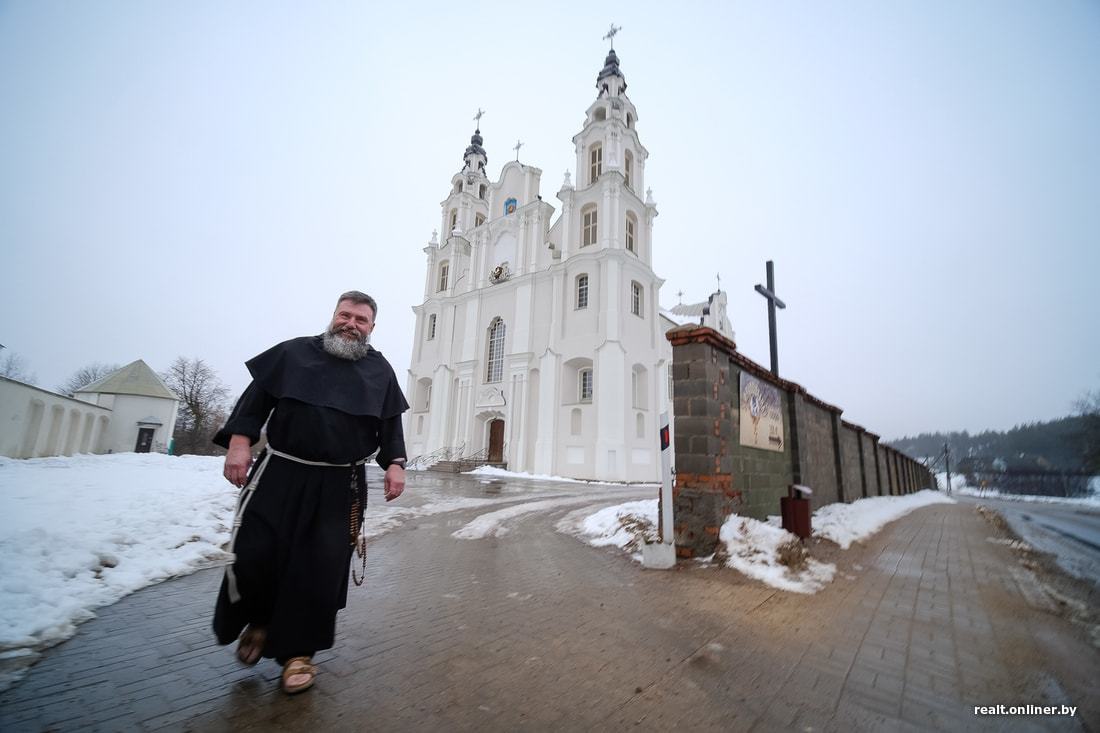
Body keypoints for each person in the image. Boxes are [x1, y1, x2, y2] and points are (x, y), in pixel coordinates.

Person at [211, 290, 409, 694]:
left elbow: (390, 425)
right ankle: (260, 622)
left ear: (372, 328)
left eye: (361, 320)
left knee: (317, 569)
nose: (351, 324)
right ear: (334, 316)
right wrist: (239, 442)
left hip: (340, 484)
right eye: (346, 315)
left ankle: (298, 653)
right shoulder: (294, 354)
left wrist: (394, 463)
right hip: (280, 472)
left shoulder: (379, 370)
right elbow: (255, 401)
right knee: (255, 554)